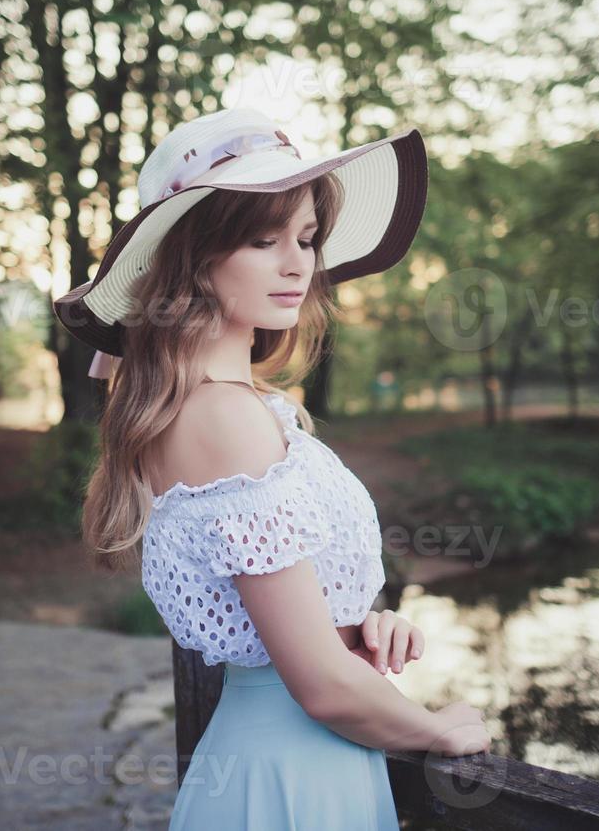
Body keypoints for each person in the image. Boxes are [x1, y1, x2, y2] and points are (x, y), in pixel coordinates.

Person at [54, 107, 491, 829]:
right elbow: (317, 686)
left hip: (316, 762)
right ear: (195, 260)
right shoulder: (222, 418)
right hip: (291, 774)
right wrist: (439, 729)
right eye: (264, 240)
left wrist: (359, 627)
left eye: (308, 238)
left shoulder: (235, 404)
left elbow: (296, 630)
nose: (299, 263)